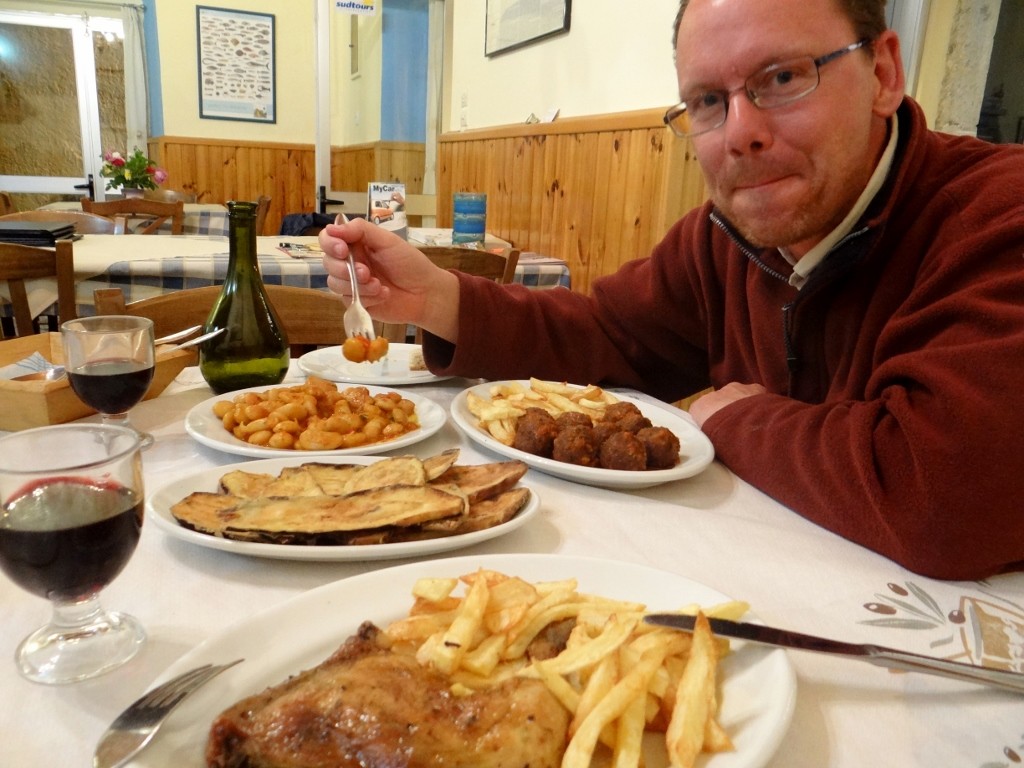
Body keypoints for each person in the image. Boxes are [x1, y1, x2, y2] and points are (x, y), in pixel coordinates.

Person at [320, 0, 1024, 581]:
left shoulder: (997, 216)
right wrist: (438, 298)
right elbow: (607, 336)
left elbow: (948, 497)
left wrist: (733, 420)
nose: (741, 132)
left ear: (883, 73)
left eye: (783, 78)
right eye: (709, 101)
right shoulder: (720, 238)